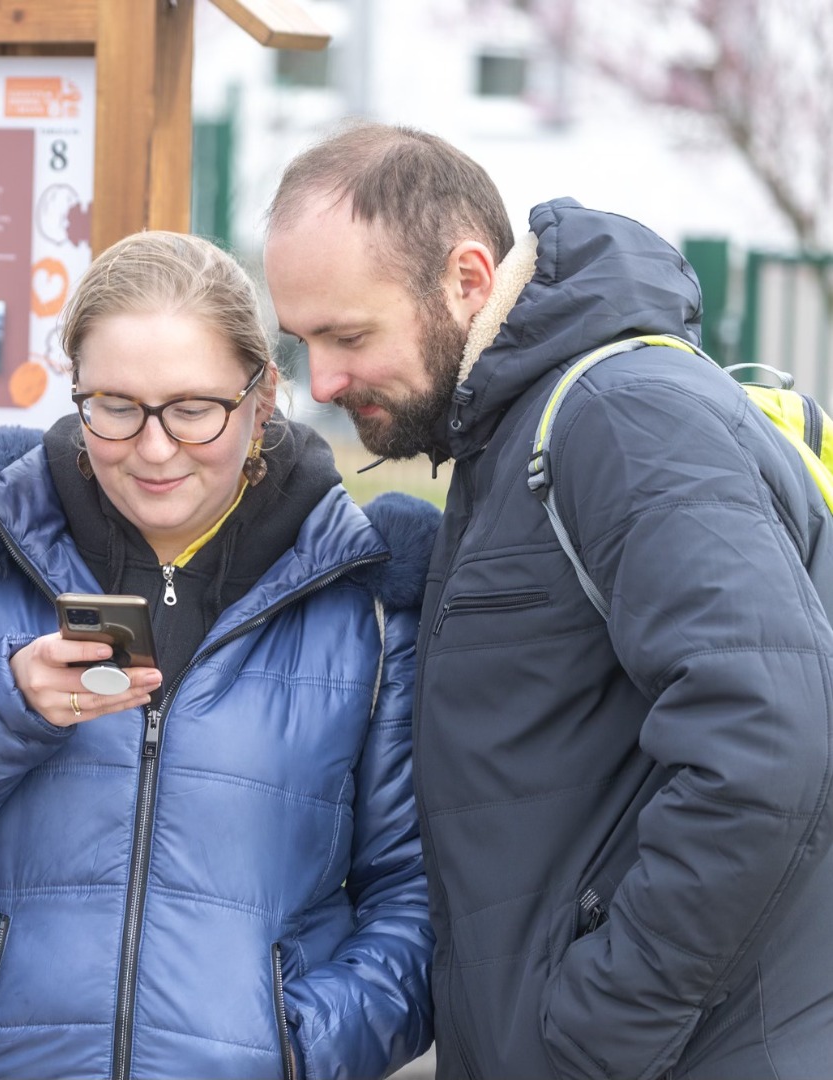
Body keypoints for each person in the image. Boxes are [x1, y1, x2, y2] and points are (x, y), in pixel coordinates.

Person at [0, 230, 439, 1080]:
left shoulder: (367, 603)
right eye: (116, 406)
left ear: (262, 395)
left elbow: (417, 901)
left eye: (192, 408)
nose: (154, 448)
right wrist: (1, 707)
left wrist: (298, 1047)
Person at [263, 122, 833, 1079]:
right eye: (302, 342)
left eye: (348, 335)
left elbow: (767, 741)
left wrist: (593, 1033)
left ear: (468, 279)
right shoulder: (511, 437)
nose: (321, 382)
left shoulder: (618, 416)